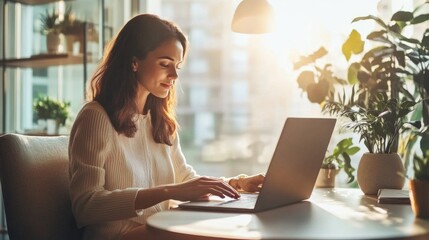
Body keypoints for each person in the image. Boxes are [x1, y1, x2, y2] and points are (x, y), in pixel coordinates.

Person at [68, 13, 265, 240]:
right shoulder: (95, 118)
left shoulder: (160, 120)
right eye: (165, 64)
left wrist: (236, 184)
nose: (174, 75)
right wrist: (168, 192)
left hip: (159, 230)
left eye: (177, 66)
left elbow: (185, 180)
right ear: (134, 62)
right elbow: (85, 206)